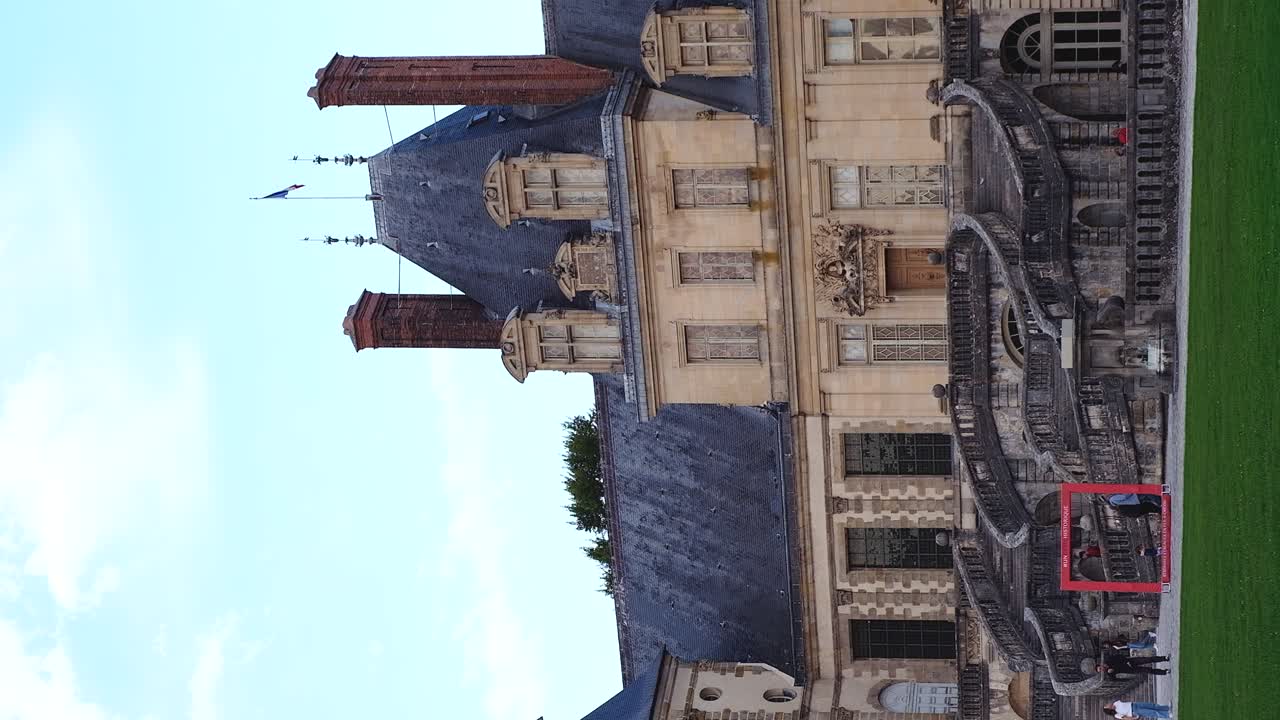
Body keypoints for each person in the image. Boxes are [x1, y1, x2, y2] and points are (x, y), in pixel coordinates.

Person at [1098, 655, 1170, 677]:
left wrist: (1127, 661)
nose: (1101, 669)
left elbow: (1119, 657)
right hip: (1131, 670)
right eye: (1100, 670)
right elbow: (1114, 678)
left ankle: (1164, 658)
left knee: (1148, 659)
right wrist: (1112, 672)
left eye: (1100, 668)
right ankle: (1165, 672)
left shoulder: (1109, 659)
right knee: (1148, 670)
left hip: (1131, 661)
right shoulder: (1109, 673)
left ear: (1101, 665)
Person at [1104, 700, 1172, 718]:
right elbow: (1125, 718)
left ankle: (1167, 708)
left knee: (1152, 706)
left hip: (1134, 704)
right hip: (1134, 711)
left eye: (1106, 704)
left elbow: (1125, 703)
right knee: (1151, 712)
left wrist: (1134, 702)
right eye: (1107, 706)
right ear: (1109, 709)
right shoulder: (1116, 714)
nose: (1108, 704)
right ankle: (1167, 715)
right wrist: (1134, 718)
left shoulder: (1116, 703)